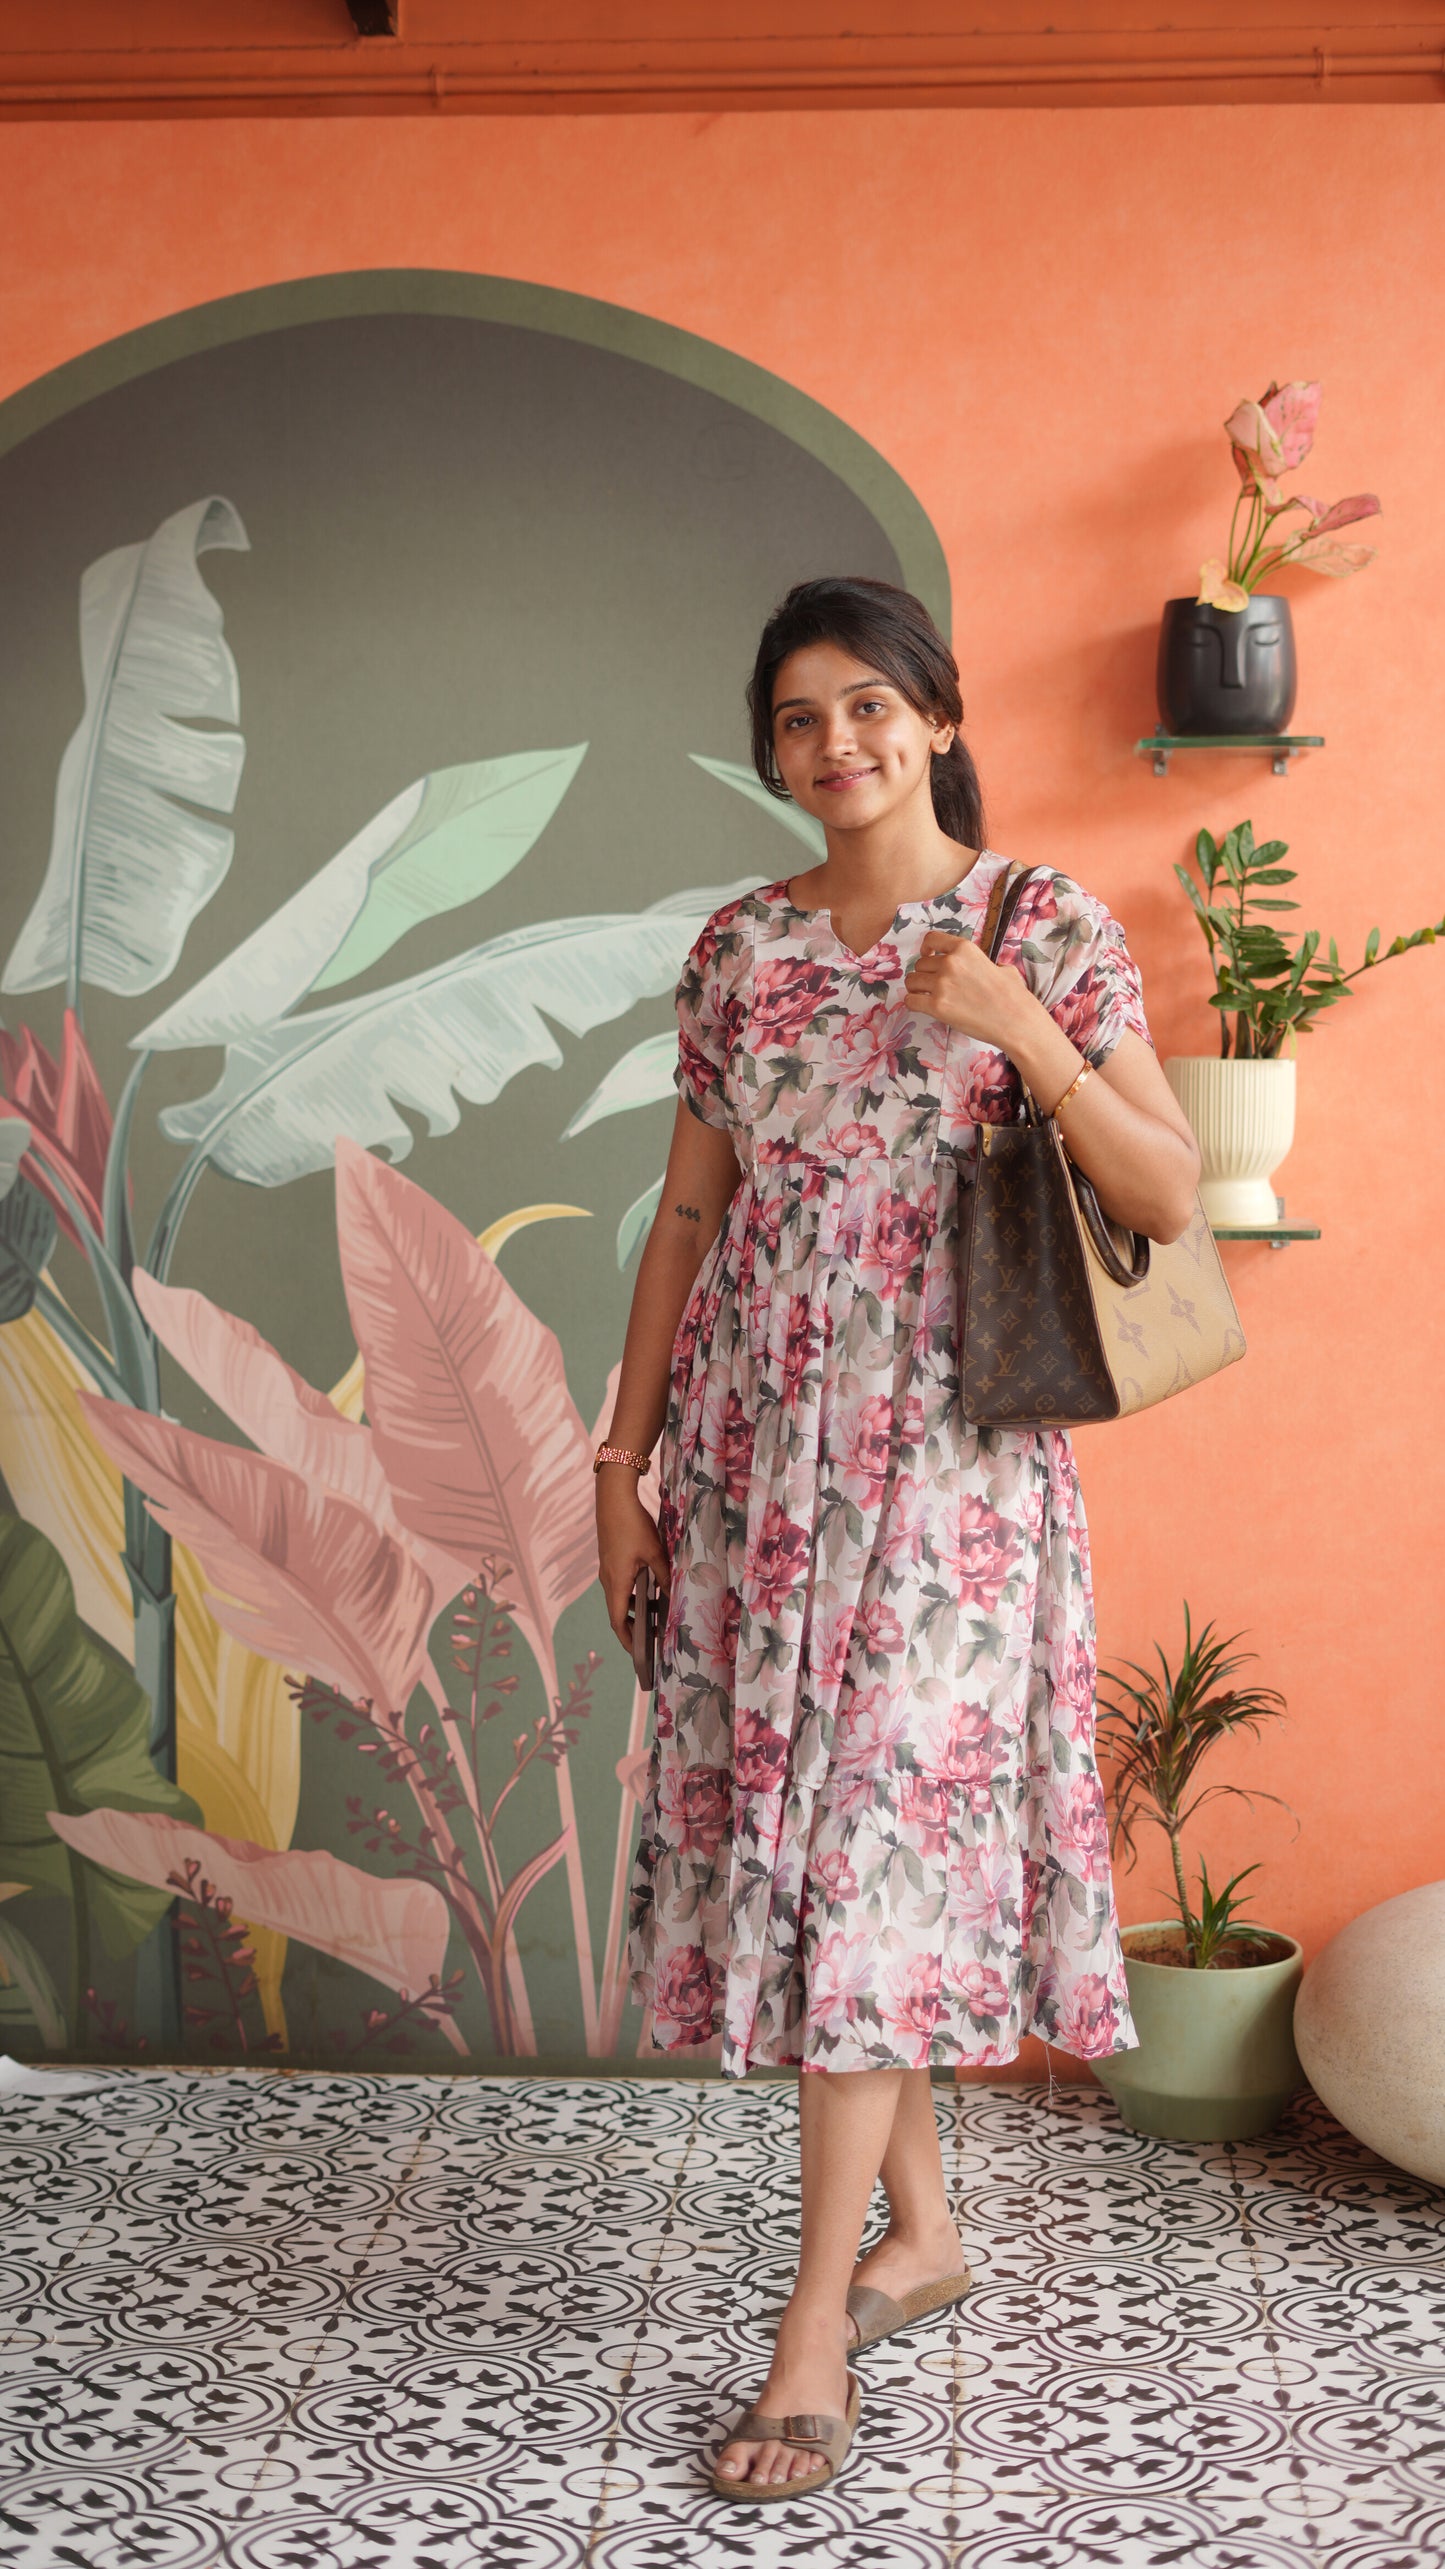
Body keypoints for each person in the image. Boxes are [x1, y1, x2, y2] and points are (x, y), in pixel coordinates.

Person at [593, 576, 1201, 2500]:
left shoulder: (1043, 927)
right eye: (796, 718)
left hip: (945, 1486)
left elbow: (1170, 1195)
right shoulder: (738, 951)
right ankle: (919, 2235)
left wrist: (1021, 1028)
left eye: (869, 707)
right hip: (759, 1471)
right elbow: (688, 1219)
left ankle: (804, 2343)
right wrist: (623, 1460)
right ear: (769, 748)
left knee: (853, 1857)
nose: (834, 745)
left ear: (936, 718)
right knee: (809, 1868)